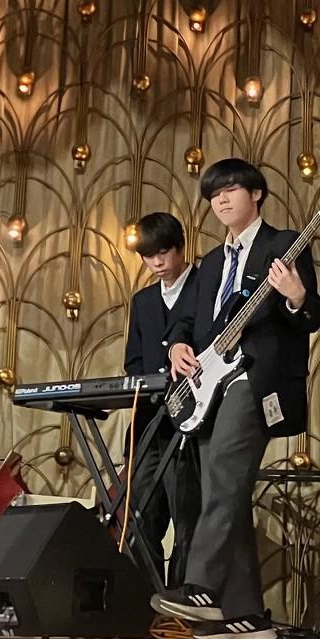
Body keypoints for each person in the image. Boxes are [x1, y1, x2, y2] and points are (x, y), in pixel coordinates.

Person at [152, 159, 320, 639]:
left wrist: (295, 296)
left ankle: (200, 587)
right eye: (214, 195)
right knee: (223, 489)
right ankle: (245, 616)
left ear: (257, 194)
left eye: (230, 190)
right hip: (210, 384)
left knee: (225, 473)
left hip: (257, 380)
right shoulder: (209, 263)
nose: (222, 200)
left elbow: (311, 316)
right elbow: (186, 321)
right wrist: (177, 345)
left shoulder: (283, 244)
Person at [121, 211, 202, 587]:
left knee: (188, 519)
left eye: (163, 253)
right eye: (147, 256)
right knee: (141, 516)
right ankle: (145, 602)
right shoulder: (143, 301)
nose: (156, 262)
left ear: (180, 248)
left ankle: (181, 604)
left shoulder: (203, 285)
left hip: (191, 422)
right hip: (149, 424)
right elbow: (133, 362)